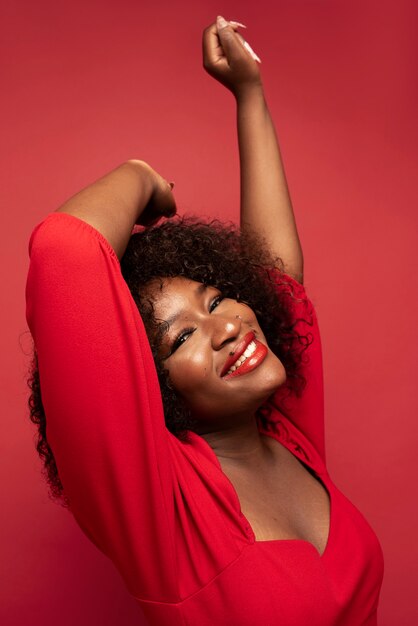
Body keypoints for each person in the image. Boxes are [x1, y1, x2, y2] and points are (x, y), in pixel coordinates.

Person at [26, 16, 384, 626]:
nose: (226, 327)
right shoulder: (159, 505)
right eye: (183, 336)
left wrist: (250, 95)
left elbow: (278, 278)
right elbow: (66, 252)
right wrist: (141, 177)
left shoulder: (285, 432)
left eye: (217, 301)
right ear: (155, 387)